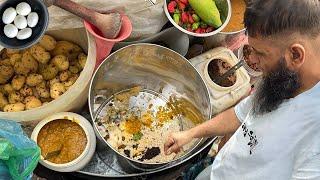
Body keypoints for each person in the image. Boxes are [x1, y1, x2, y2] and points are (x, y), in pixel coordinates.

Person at [164, 0, 320, 179]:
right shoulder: (286, 78)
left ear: (295, 55)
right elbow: (240, 114)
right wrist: (191, 133)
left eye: (260, 53)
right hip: (219, 169)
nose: (251, 59)